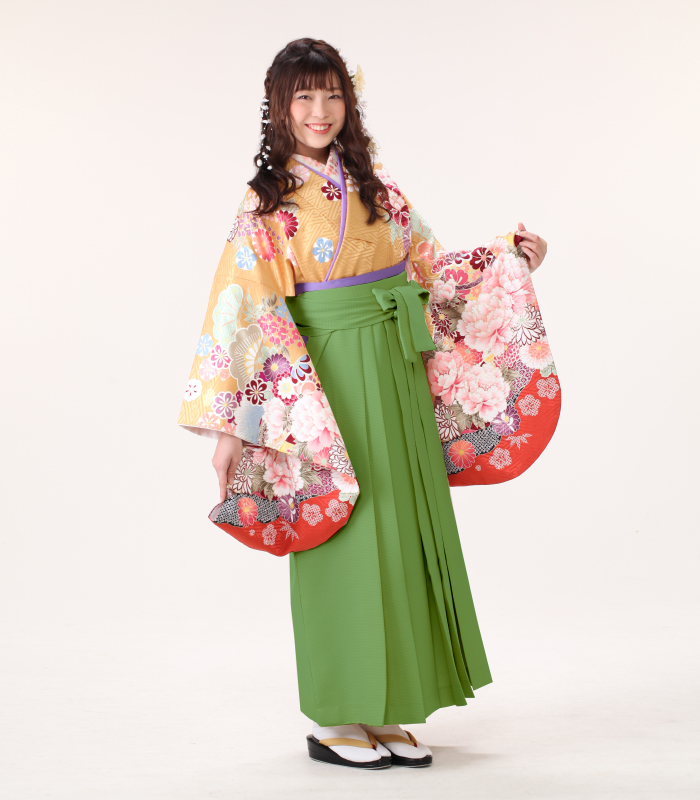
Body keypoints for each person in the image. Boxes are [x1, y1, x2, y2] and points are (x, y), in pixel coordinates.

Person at [178, 38, 550, 770]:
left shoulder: (377, 189)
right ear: (280, 108)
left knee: (401, 524)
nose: (320, 111)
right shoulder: (268, 204)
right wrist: (233, 428)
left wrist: (507, 257)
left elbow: (431, 272)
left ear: (348, 103)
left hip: (394, 366)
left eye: (332, 95)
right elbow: (244, 312)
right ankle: (336, 712)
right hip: (325, 380)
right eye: (304, 97)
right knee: (343, 529)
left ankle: (385, 707)